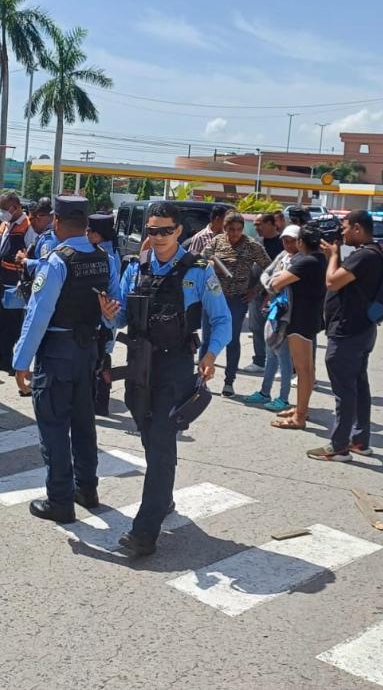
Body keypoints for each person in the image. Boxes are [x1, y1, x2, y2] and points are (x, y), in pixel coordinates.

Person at [100, 202, 231, 557]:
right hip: (140, 366)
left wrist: (210, 354)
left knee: (160, 443)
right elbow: (123, 316)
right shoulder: (135, 267)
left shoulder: (199, 270)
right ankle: (165, 496)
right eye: (151, 231)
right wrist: (110, 315)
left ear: (179, 232)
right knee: (149, 436)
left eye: (164, 231)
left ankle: (144, 533)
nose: (156, 237)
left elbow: (222, 320)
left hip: (175, 368)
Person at [13, 196, 118, 524]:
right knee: (84, 423)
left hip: (57, 353)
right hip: (88, 352)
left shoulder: (58, 260)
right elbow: (114, 311)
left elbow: (38, 314)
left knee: (54, 427)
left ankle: (60, 500)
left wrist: (21, 361)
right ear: (86, 223)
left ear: (56, 221)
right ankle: (86, 488)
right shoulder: (105, 258)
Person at [310, 210, 383, 462]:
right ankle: (360, 440)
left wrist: (332, 256)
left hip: (348, 331)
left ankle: (339, 445)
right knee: (359, 386)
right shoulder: (378, 253)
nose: (341, 233)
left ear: (356, 228)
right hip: (363, 329)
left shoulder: (364, 256)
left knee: (344, 391)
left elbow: (333, 282)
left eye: (344, 227)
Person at [205, 211, 271, 396]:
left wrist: (255, 290)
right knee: (208, 339)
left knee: (231, 339)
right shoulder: (217, 241)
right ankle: (201, 379)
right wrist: (211, 263)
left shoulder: (252, 245)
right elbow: (200, 261)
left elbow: (270, 268)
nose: (235, 233)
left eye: (239, 229)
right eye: (231, 229)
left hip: (237, 300)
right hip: (214, 298)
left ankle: (229, 381)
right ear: (224, 228)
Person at [268, 225, 328, 430]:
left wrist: (278, 277)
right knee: (307, 369)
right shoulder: (320, 259)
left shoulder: (306, 261)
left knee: (302, 369)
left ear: (301, 242)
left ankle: (299, 416)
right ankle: (302, 408)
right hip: (310, 316)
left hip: (300, 319)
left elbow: (276, 283)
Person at [243, 224, 300, 411]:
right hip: (274, 310)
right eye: (285, 240)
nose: (288, 244)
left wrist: (274, 283)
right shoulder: (283, 256)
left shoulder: (301, 260)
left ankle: (283, 398)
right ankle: (265, 392)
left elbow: (281, 280)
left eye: (292, 240)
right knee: (270, 354)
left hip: (287, 314)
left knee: (284, 357)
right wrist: (272, 285)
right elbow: (268, 274)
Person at [0, 191, 36, 374]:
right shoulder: (4, 224)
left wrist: (25, 280)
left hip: (17, 284)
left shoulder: (28, 227)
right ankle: (3, 359)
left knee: (16, 325)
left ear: (14, 207)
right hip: (3, 282)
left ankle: (17, 364)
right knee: (1, 323)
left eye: (4, 209)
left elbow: (32, 255)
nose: (2, 212)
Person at [87, 212, 122, 416]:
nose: (86, 234)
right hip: (107, 318)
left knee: (100, 361)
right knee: (103, 358)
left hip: (104, 317)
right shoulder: (110, 250)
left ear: (98, 234)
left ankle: (100, 402)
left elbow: (111, 291)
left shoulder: (105, 255)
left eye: (90, 231)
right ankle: (101, 403)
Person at [244, 212, 285, 372]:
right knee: (256, 327)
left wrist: (269, 294)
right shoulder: (256, 242)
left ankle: (281, 364)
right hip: (255, 294)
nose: (256, 227)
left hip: (275, 295)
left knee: (276, 329)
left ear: (271, 224)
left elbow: (279, 271)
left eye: (259, 224)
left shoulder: (282, 244)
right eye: (255, 225)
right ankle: (259, 361)